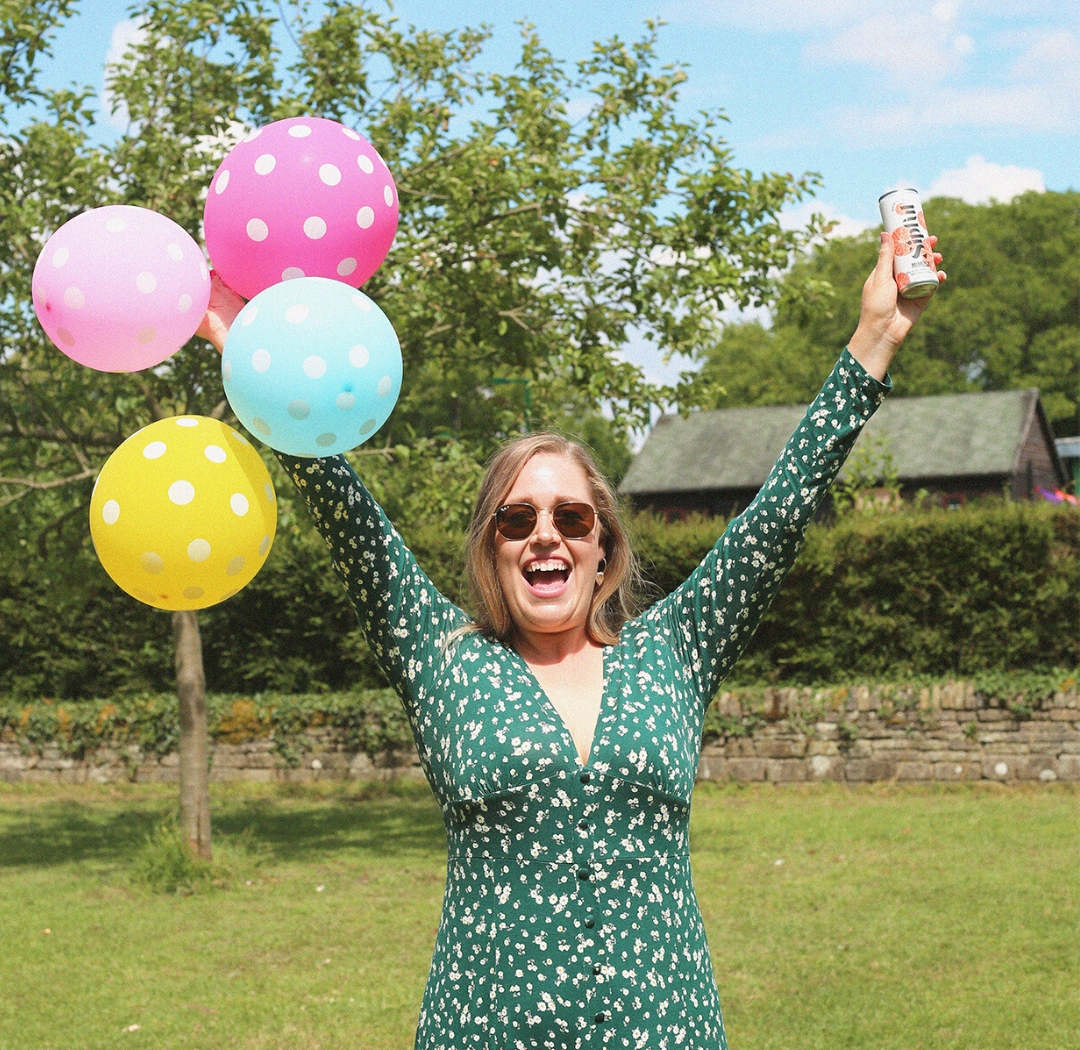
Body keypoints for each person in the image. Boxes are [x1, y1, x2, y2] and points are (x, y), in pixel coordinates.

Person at [198, 232, 944, 1050]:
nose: (543, 537)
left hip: (667, 1029)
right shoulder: (443, 657)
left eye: (571, 517)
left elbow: (781, 509)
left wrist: (878, 336)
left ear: (602, 547)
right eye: (516, 520)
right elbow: (349, 516)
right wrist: (253, 351)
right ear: (490, 545)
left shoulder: (672, 652)